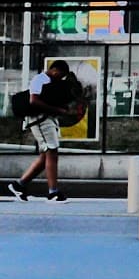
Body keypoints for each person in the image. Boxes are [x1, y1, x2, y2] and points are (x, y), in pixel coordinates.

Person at [8, 59, 83, 202]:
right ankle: (53, 192)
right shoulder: (39, 79)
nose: (60, 78)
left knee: (45, 157)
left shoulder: (50, 82)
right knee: (52, 153)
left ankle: (19, 185)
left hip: (47, 119)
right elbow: (33, 101)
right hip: (40, 120)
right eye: (60, 75)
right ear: (54, 70)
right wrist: (58, 110)